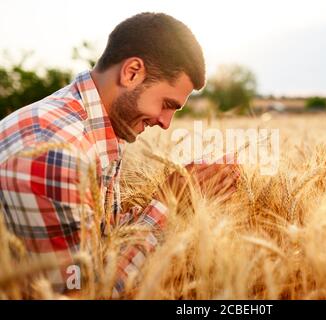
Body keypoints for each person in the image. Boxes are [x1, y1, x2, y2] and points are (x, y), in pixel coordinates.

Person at [0, 12, 239, 297]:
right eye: (166, 103)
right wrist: (167, 205)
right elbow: (81, 292)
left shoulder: (94, 124)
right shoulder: (59, 151)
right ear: (132, 72)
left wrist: (177, 196)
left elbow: (100, 244)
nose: (165, 122)